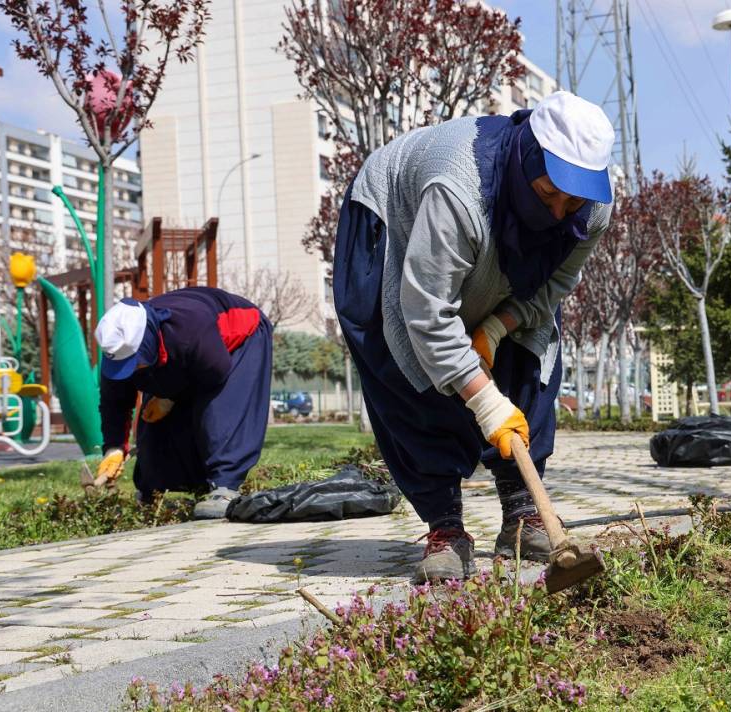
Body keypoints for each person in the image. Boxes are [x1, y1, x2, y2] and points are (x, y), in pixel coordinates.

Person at [333, 90, 615, 583]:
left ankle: (523, 513)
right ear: (528, 159)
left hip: (479, 239)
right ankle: (445, 527)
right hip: (391, 219)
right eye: (548, 193)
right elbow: (425, 314)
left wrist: (496, 327)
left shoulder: (590, 212)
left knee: (530, 358)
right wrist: (485, 403)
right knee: (407, 367)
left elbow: (551, 289)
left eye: (572, 200)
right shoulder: (457, 189)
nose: (558, 212)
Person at [93, 287, 273, 518]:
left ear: (146, 342)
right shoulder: (116, 348)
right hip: (187, 355)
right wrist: (114, 448)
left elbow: (215, 373)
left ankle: (225, 487)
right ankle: (151, 492)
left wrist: (169, 397)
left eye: (135, 362)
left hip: (241, 339)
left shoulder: (189, 327)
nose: (131, 369)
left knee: (218, 412)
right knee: (152, 420)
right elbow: (114, 402)